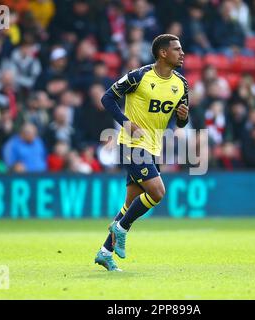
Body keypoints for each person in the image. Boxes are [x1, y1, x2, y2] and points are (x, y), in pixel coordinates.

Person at [95, 34, 189, 271]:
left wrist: (183, 118)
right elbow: (107, 98)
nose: (182, 53)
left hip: (153, 147)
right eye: (177, 49)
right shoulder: (139, 76)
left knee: (130, 203)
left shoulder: (182, 84)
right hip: (132, 144)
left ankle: (105, 252)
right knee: (157, 192)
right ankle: (121, 228)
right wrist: (126, 122)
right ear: (163, 53)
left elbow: (180, 123)